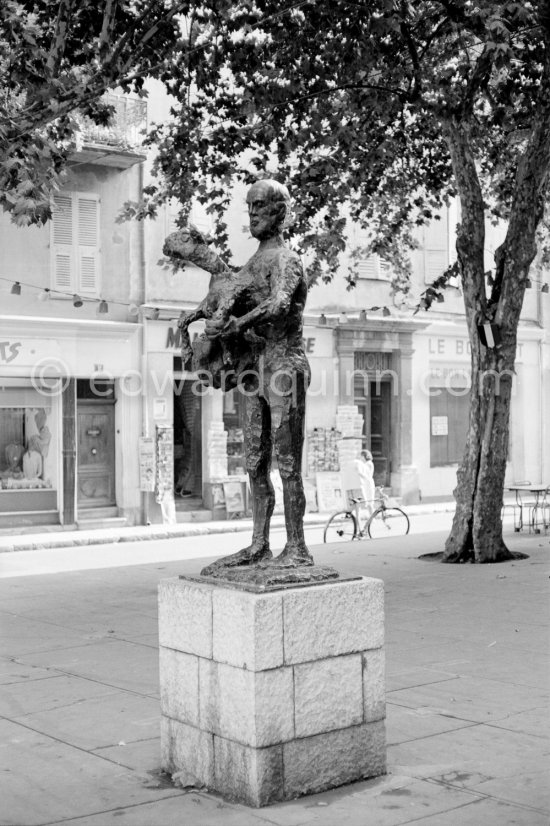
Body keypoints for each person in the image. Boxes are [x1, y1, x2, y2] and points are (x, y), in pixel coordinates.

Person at [172, 179, 313, 573]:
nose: (252, 215)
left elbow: (279, 303)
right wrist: (203, 315)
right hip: (256, 369)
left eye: (261, 207)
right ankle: (259, 544)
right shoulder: (251, 264)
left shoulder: (287, 260)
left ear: (280, 213)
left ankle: (298, 547)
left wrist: (234, 326)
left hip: (285, 365)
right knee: (254, 462)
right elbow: (229, 289)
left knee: (287, 463)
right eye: (249, 207)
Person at [355, 449, 375, 516]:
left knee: (370, 501)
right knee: (368, 500)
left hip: (368, 484)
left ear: (364, 456)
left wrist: (359, 473)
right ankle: (371, 516)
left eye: (361, 456)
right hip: (366, 483)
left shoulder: (368, 463)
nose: (360, 458)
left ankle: (372, 517)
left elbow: (368, 475)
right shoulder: (365, 464)